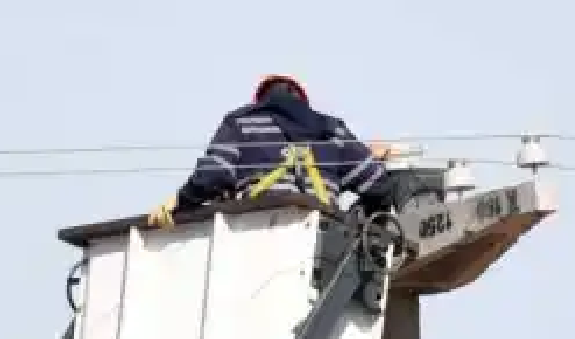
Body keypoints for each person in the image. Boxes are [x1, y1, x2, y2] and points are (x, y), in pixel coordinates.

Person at [146, 74, 396, 229]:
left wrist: (180, 202)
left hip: (257, 234)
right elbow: (380, 187)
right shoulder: (332, 131)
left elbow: (213, 175)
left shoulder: (240, 123)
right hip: (325, 240)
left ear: (260, 101)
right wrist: (361, 224)